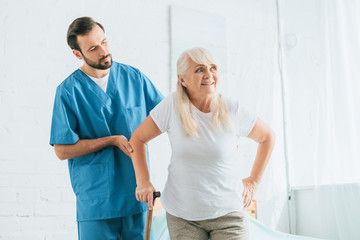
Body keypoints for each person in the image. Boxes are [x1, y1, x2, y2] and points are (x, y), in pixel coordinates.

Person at [129, 47, 275, 239]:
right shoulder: (172, 106)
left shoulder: (232, 108)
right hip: (182, 216)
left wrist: (254, 181)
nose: (209, 75)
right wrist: (143, 182)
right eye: (199, 70)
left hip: (228, 214)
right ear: (182, 79)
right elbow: (138, 139)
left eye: (213, 68)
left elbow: (267, 137)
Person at [49, 17, 163, 240]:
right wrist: (109, 140)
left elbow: (168, 116)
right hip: (97, 203)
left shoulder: (134, 78)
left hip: (136, 195)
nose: (103, 51)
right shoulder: (68, 91)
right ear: (77, 54)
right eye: (93, 48)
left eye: (104, 42)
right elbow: (62, 150)